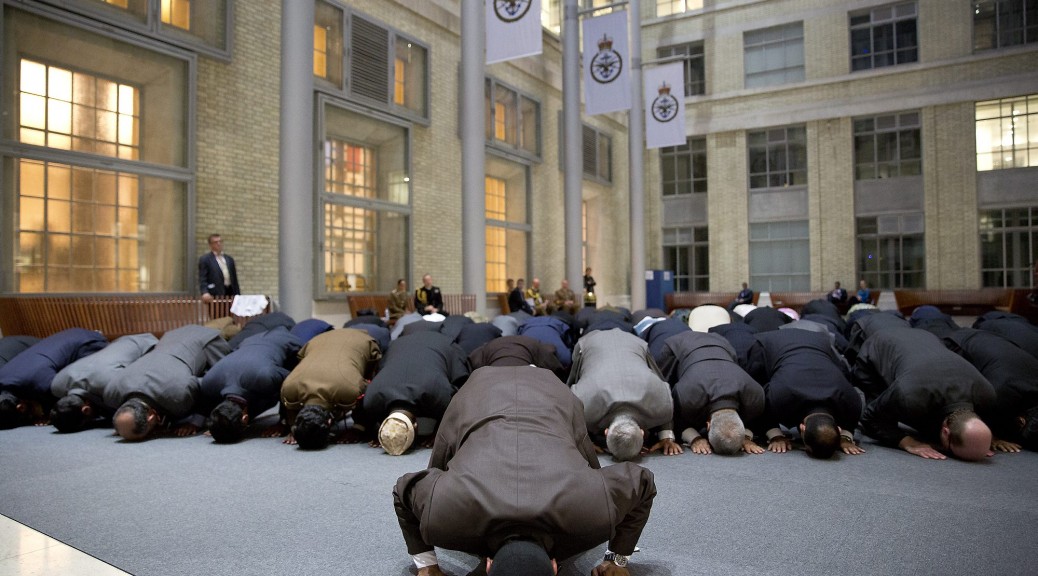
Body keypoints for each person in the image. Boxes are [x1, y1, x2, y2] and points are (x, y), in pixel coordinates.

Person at [392, 365, 656, 576]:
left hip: (499, 391)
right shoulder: (442, 511)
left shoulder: (594, 510)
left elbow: (642, 482)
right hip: (515, 391)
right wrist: (427, 565)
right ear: (555, 567)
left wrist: (617, 559)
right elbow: (404, 490)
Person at [855, 327, 996, 461]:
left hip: (925, 337)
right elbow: (870, 417)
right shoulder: (909, 395)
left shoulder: (987, 394)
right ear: (946, 432)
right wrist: (907, 442)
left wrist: (980, 444)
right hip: (878, 346)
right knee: (884, 418)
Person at [744, 329, 864, 458]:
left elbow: (850, 424)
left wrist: (845, 438)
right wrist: (776, 436)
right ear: (802, 428)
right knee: (752, 384)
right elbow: (759, 403)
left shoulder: (852, 401)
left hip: (817, 342)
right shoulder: (781, 395)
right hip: (770, 343)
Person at [105, 325, 230, 441]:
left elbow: (208, 386)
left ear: (151, 417)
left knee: (226, 377)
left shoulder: (178, 393)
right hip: (171, 336)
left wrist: (195, 422)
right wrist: (123, 428)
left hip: (205, 340)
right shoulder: (111, 391)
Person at [567, 329, 679, 460]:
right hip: (593, 343)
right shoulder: (581, 402)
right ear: (642, 433)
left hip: (634, 343)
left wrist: (666, 438)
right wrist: (582, 440)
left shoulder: (583, 406)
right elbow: (569, 388)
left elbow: (665, 407)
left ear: (606, 432)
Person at [655, 331, 765, 455]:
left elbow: (756, 420)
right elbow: (672, 416)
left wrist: (746, 437)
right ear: (707, 426)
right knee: (661, 387)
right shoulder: (686, 396)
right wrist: (695, 438)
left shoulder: (756, 395)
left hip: (721, 343)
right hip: (679, 346)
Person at [360, 331, 469, 455]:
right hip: (399, 344)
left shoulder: (438, 394)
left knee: (465, 382)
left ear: (416, 426)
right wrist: (385, 435)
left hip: (443, 343)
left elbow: (459, 403)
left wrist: (439, 433)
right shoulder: (370, 399)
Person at [271, 328, 380, 448]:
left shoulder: (350, 389)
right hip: (317, 340)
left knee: (371, 381)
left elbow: (371, 393)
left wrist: (358, 429)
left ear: (329, 422)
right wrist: (297, 430)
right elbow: (290, 408)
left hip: (360, 340)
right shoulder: (288, 387)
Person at [200, 326, 302, 443]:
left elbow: (292, 382)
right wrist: (219, 424)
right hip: (249, 341)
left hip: (290, 343)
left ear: (245, 418)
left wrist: (287, 423)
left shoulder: (265, 377)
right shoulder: (208, 382)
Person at [0, 328, 108, 430]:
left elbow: (63, 405)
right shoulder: (3, 379)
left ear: (21, 407)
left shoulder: (41, 384)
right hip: (70, 334)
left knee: (83, 387)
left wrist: (47, 415)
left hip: (88, 343)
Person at [50, 333, 158, 433]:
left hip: (148, 345)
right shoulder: (57, 383)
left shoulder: (111, 386)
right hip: (120, 341)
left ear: (86, 410)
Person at [198, 233, 241, 303]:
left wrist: (238, 295)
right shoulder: (205, 259)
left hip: (230, 292)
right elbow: (202, 278)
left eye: (220, 241)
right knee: (217, 310)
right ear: (210, 245)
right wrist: (205, 292)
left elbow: (234, 279)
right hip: (215, 293)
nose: (219, 244)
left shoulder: (229, 259)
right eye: (216, 242)